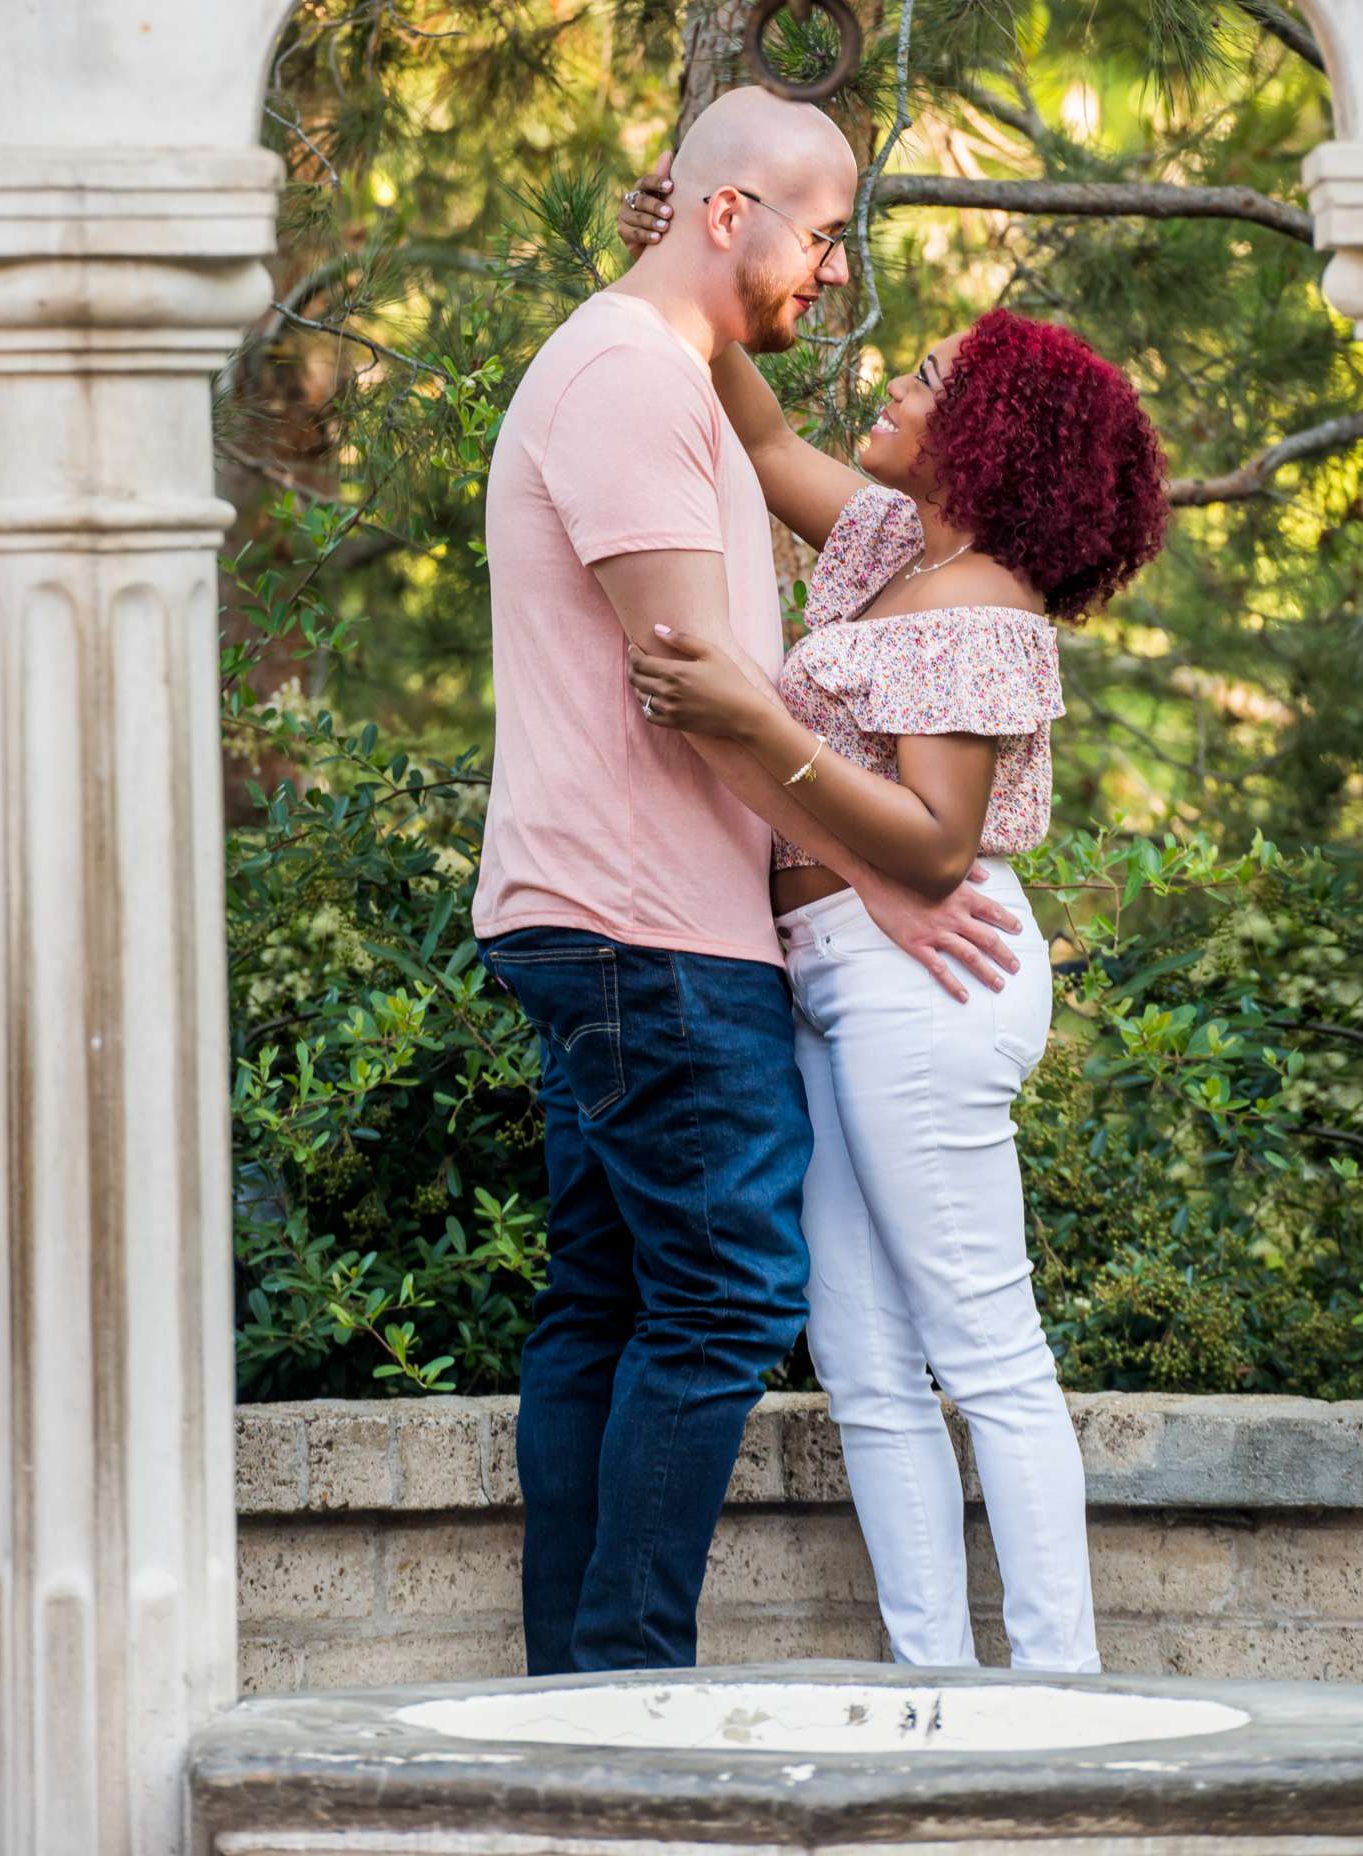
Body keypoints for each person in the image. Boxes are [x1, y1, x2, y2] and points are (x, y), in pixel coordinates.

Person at [473, 87, 1027, 1676]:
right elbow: (694, 686)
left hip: (623, 914)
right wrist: (891, 870)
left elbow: (731, 580)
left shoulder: (661, 373)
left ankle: (578, 1701)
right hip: (647, 923)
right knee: (726, 1296)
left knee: (609, 1302)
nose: (840, 277)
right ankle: (626, 1685)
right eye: (827, 235)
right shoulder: (630, 383)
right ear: (731, 215)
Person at [616, 159, 1169, 1672]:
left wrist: (747, 715)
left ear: (983, 442)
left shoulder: (980, 610)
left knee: (985, 1347)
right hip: (840, 971)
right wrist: (680, 255)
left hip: (923, 972)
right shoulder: (887, 554)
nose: (899, 383)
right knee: (863, 1356)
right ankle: (937, 1681)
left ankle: (1054, 1692)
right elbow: (764, 427)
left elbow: (932, 847)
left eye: (928, 381)